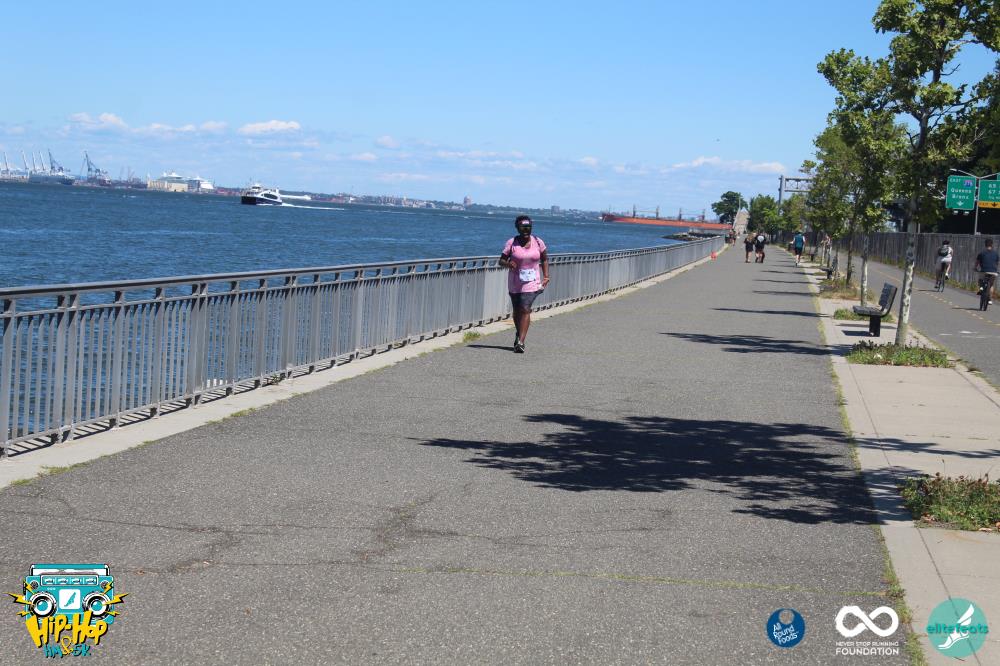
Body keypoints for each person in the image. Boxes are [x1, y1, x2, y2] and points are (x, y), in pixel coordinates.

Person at [499, 215, 549, 353]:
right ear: (517, 227)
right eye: (523, 227)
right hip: (516, 282)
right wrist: (509, 264)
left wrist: (546, 276)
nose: (526, 229)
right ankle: (519, 332)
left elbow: (544, 259)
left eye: (528, 227)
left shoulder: (538, 242)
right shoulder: (512, 243)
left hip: (532, 282)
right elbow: (501, 261)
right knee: (517, 310)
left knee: (525, 308)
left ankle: (521, 342)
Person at [975, 238, 999, 304]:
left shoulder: (981, 253)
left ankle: (981, 288)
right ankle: (990, 300)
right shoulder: (996, 254)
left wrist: (975, 268)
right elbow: (997, 263)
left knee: (980, 279)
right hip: (993, 271)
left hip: (984, 271)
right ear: (992, 245)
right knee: (991, 285)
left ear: (985, 244)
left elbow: (977, 262)